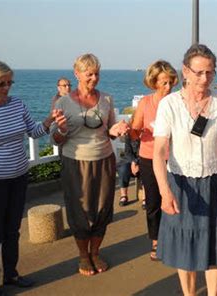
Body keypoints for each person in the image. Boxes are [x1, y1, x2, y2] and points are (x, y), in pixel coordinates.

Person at [152, 44, 217, 296]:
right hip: (181, 182)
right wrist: (164, 191)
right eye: (198, 73)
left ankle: (213, 294)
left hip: (216, 180)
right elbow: (159, 150)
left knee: (215, 244)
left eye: (209, 73)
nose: (204, 79)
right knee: (185, 243)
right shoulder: (170, 105)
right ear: (185, 71)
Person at [50, 53, 129, 276]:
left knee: (103, 208)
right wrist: (62, 131)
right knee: (80, 210)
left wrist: (115, 131)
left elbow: (110, 130)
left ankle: (95, 252)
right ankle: (83, 255)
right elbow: (55, 138)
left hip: (104, 159)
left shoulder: (107, 99)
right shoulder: (63, 102)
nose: (94, 78)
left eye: (97, 73)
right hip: (75, 161)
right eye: (89, 74)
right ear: (77, 74)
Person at [0, 60, 64, 296]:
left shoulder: (17, 104)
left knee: (13, 230)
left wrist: (49, 122)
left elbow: (33, 131)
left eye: (10, 83)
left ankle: (11, 274)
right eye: (1, 84)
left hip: (19, 177)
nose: (7, 88)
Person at [130, 60, 178, 261]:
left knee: (176, 198)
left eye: (170, 82)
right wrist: (136, 130)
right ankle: (156, 240)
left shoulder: (178, 101)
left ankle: (176, 236)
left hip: (176, 158)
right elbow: (134, 133)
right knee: (153, 201)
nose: (168, 87)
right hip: (149, 157)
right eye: (163, 83)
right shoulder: (146, 103)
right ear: (153, 82)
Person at [116, 131, 140, 207]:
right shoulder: (129, 134)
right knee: (123, 169)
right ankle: (124, 195)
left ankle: (145, 197)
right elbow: (127, 152)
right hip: (130, 159)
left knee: (145, 169)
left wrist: (138, 162)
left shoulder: (149, 134)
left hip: (143, 159)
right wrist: (134, 162)